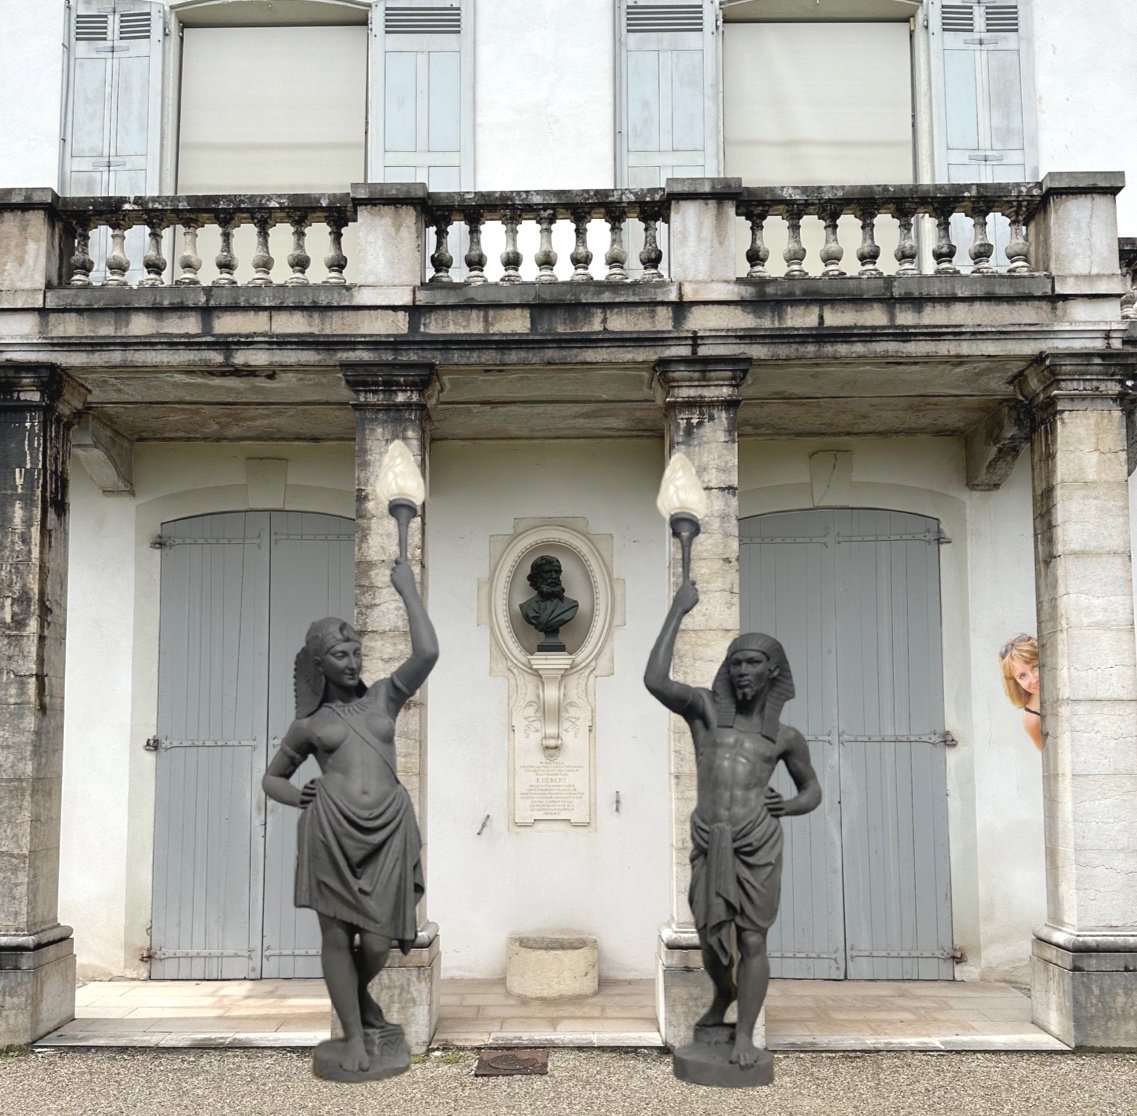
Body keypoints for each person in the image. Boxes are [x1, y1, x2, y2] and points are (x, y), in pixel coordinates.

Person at [263, 560, 438, 1075]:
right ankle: (356, 1035)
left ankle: (358, 1005)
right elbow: (272, 778)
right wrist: (299, 797)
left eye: (357, 651)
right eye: (341, 654)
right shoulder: (308, 723)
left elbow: (427, 653)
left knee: (379, 943)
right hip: (331, 834)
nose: (353, 661)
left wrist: (407, 591)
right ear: (319, 664)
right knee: (337, 939)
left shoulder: (385, 695)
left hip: (387, 832)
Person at [644, 580, 821, 1069]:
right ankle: (722, 996)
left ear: (773, 672)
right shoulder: (704, 712)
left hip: (756, 845)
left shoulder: (784, 736)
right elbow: (656, 681)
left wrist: (790, 805)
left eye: (753, 663)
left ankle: (744, 1032)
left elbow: (812, 790)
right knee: (711, 940)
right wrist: (678, 611)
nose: (743, 671)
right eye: (736, 662)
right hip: (710, 843)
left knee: (752, 939)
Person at [999, 632, 1042, 751]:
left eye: (1035, 666)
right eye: (1022, 676)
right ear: (1016, 683)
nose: (1034, 679)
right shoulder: (1032, 720)